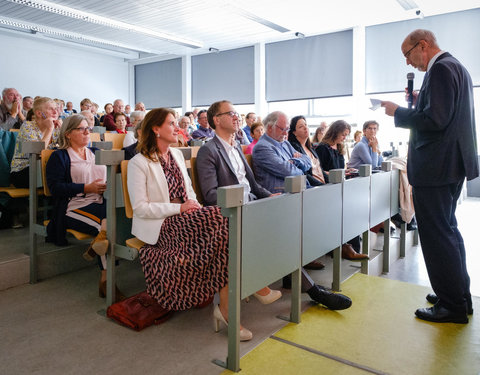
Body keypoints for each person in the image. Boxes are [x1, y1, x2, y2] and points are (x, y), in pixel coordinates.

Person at [197, 101, 350, 310]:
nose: (236, 117)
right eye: (230, 113)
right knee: (280, 231)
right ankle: (312, 291)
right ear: (216, 120)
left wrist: (270, 198)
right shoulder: (209, 150)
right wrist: (250, 202)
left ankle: (309, 288)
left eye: (236, 113)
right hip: (233, 211)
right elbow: (210, 195)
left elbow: (255, 186)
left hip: (253, 205)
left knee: (284, 225)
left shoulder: (236, 149)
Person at [127, 107, 253, 341]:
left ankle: (225, 309)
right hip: (160, 225)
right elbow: (141, 208)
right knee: (223, 219)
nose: (177, 128)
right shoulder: (138, 162)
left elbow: (190, 192)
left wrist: (192, 206)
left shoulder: (176, 155)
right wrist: (180, 208)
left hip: (185, 219)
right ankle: (229, 308)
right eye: (171, 123)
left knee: (225, 222)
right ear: (156, 129)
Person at [381, 29, 478, 324]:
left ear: (422, 46)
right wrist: (420, 101)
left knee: (437, 237)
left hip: (436, 167)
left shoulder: (440, 70)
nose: (409, 64)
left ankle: (452, 305)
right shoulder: (456, 68)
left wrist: (398, 112)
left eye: (408, 55)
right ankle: (457, 294)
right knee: (448, 231)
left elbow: (435, 120)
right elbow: (442, 114)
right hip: (450, 165)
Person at [45, 114, 124, 301]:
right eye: (82, 129)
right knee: (105, 227)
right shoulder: (60, 156)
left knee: (117, 221)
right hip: (72, 207)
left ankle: (97, 248)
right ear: (68, 134)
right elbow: (55, 188)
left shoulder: (95, 152)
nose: (88, 131)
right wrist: (86, 188)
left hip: (98, 202)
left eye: (88, 127)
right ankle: (107, 281)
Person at [314, 120, 369, 261]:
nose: (344, 138)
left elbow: (338, 169)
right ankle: (347, 247)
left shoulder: (338, 149)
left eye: (346, 135)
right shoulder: (322, 149)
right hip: (328, 189)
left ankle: (350, 247)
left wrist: (346, 171)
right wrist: (338, 173)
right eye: (343, 135)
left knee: (354, 208)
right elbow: (319, 172)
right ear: (335, 132)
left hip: (339, 187)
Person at [252, 111, 311, 194]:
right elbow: (288, 171)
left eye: (287, 129)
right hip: (281, 196)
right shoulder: (262, 148)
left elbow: (308, 161)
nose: (286, 133)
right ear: (269, 128)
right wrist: (301, 170)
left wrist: (294, 161)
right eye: (283, 129)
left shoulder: (285, 143)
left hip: (298, 191)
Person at [10, 97, 61, 188]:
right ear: (39, 113)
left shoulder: (56, 128)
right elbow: (37, 152)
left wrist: (63, 131)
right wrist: (49, 129)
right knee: (58, 174)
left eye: (56, 109)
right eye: (51, 109)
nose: (55, 112)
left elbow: (69, 149)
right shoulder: (27, 126)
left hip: (44, 168)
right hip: (22, 171)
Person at [288, 115, 326, 186]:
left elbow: (320, 170)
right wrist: (322, 186)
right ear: (294, 132)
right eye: (301, 126)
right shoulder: (294, 148)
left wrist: (330, 183)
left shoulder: (310, 148)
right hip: (312, 188)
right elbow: (305, 174)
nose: (305, 128)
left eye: (306, 125)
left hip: (322, 186)